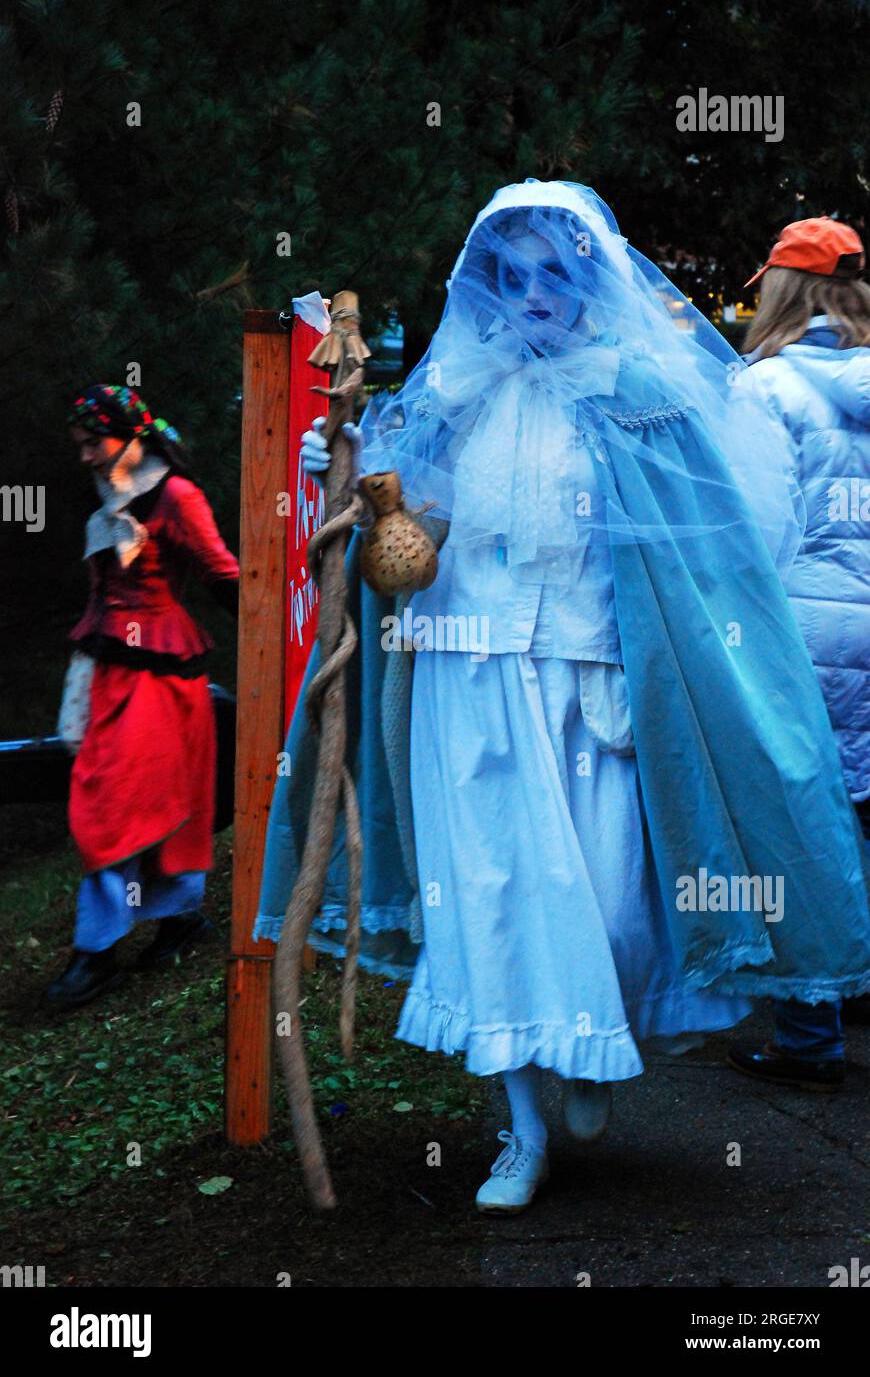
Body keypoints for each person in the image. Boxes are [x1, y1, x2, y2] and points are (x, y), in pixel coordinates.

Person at [255, 180, 870, 1214]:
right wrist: (352, 474)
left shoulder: (642, 391)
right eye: (513, 272)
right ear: (489, 280)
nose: (534, 293)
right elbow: (408, 530)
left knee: (613, 905)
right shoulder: (457, 390)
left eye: (556, 270)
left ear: (590, 274)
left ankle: (584, 1050)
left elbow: (722, 537)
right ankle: (520, 1127)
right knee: (488, 899)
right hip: (469, 671)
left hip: (590, 676)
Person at [726, 218, 870, 1090]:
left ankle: (810, 1036)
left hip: (805, 637)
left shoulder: (765, 389)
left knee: (808, 827)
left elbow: (750, 537)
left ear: (783, 290)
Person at [44, 384, 239, 1011]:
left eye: (91, 443)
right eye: (77, 446)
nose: (85, 458)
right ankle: (177, 919)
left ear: (130, 434)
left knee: (118, 803)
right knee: (116, 798)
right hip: (107, 670)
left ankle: (96, 952)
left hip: (161, 676)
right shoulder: (106, 493)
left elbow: (221, 571)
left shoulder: (176, 495)